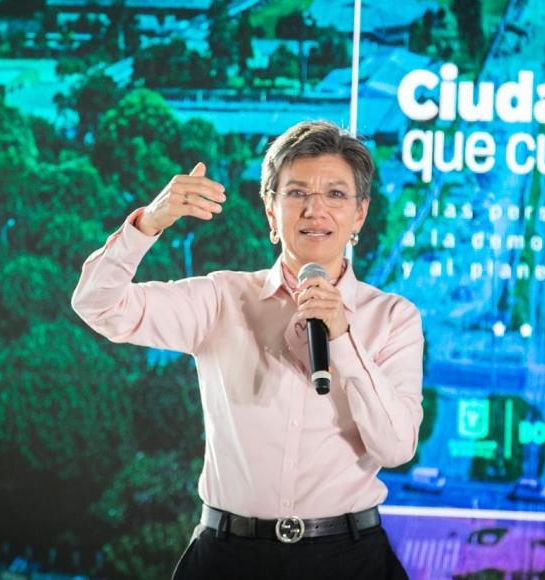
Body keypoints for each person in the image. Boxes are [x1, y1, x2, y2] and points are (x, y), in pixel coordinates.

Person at [71, 120, 423, 579]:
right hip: (227, 557)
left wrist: (342, 338)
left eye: (336, 195)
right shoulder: (222, 299)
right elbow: (98, 304)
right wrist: (148, 224)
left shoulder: (393, 318)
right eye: (296, 193)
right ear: (271, 212)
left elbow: (396, 447)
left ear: (359, 215)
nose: (315, 210)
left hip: (348, 559)